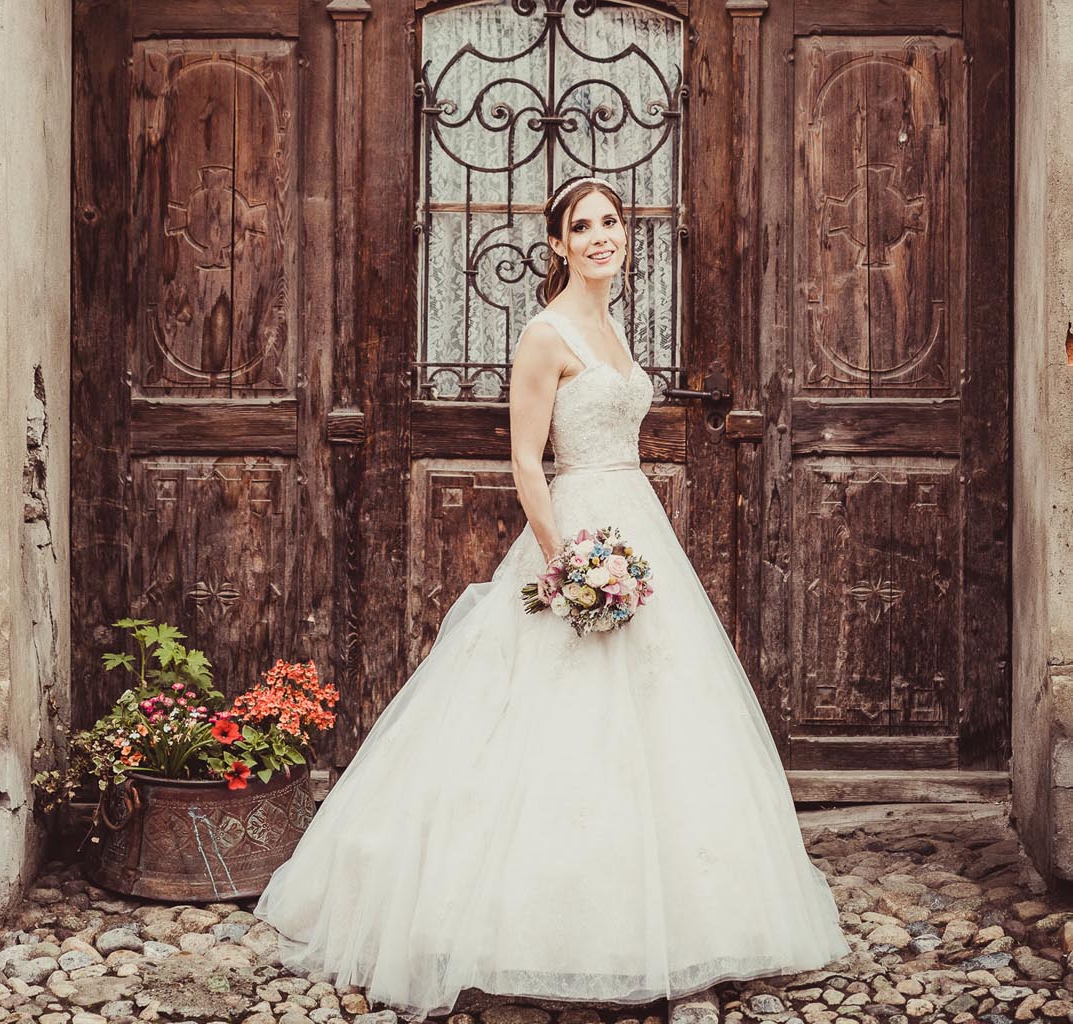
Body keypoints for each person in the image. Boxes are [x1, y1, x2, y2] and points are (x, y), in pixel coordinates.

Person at [255, 175, 850, 1019]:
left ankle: (679, 920)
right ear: (558, 245)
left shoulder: (610, 326)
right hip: (578, 529)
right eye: (584, 225)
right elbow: (527, 459)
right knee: (546, 717)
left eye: (612, 222)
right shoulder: (546, 332)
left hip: (634, 524)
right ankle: (522, 927)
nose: (602, 235)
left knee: (664, 718)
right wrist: (564, 562)